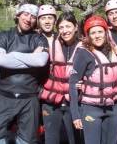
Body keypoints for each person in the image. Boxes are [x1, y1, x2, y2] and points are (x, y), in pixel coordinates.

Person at [0, 3, 49, 144]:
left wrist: (11, 56)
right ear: (18, 15)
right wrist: (31, 57)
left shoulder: (40, 39)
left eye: (33, 16)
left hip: (29, 98)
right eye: (25, 14)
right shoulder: (4, 35)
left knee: (28, 140)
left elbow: (41, 62)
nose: (28, 19)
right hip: (4, 96)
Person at [69, 15, 117, 144]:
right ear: (88, 35)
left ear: (105, 32)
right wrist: (75, 115)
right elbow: (73, 84)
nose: (97, 36)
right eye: (93, 33)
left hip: (113, 108)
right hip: (91, 108)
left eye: (100, 31)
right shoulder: (83, 53)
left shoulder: (114, 51)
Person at [40, 11, 81, 144]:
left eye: (68, 26)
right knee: (50, 140)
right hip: (51, 102)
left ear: (75, 27)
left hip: (74, 102)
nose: (65, 31)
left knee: (74, 140)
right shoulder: (49, 45)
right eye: (61, 27)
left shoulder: (85, 47)